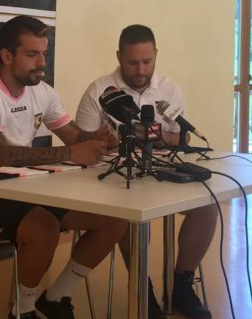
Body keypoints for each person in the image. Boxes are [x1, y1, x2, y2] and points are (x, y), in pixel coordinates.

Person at [0, 15, 128, 319]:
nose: (41, 63)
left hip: (27, 190)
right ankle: (22, 312)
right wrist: (72, 152)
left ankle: (56, 298)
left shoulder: (42, 91)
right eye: (32, 54)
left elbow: (71, 134)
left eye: (44, 53)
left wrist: (97, 139)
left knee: (114, 220)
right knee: (44, 228)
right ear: (7, 56)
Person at [75, 24, 217, 319]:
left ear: (156, 55)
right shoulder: (100, 90)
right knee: (129, 212)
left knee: (207, 205)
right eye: (132, 63)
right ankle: (143, 289)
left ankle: (181, 285)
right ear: (119, 57)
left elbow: (182, 139)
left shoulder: (169, 89)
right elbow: (81, 145)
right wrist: (109, 140)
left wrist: (157, 136)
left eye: (147, 61)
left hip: (160, 171)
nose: (141, 70)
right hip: (114, 178)